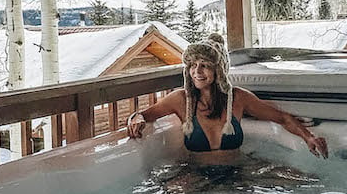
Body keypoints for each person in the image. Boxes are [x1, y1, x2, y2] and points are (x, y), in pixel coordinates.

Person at [127, 33, 328, 158]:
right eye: (193, 66)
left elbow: (282, 118)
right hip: (197, 174)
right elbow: (144, 115)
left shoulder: (238, 98)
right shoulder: (181, 100)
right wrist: (137, 119)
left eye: (205, 66)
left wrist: (309, 137)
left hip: (237, 171)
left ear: (219, 71)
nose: (197, 71)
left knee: (302, 181)